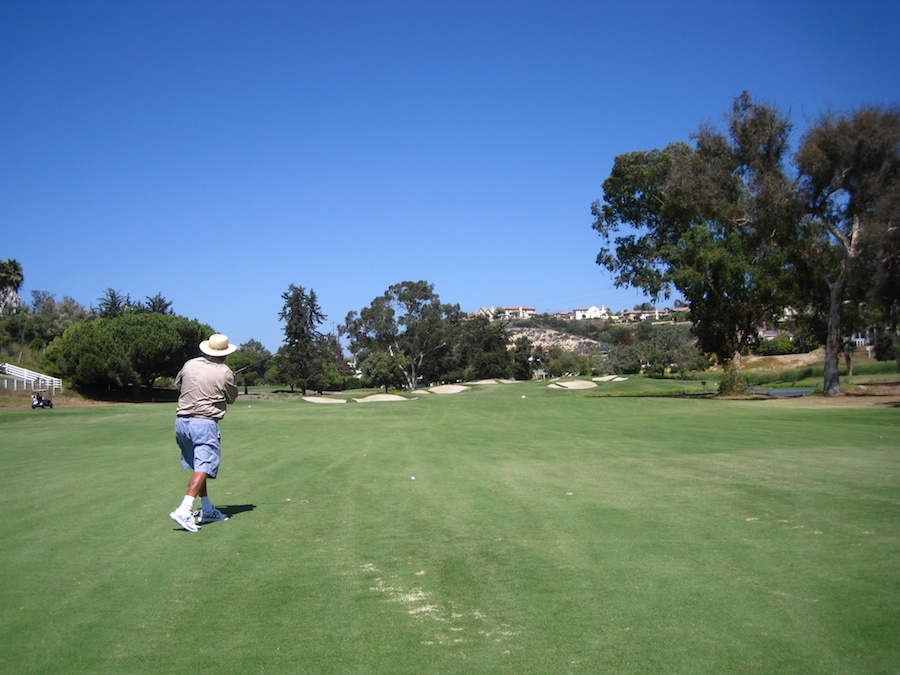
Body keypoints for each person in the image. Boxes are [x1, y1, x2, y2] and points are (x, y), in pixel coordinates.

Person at [169, 333, 239, 532]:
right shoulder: (225, 371)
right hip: (203, 424)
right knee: (204, 467)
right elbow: (231, 398)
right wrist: (231, 380)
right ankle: (184, 509)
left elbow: (178, 385)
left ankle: (207, 509)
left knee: (199, 466)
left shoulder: (189, 364)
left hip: (181, 422)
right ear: (224, 354)